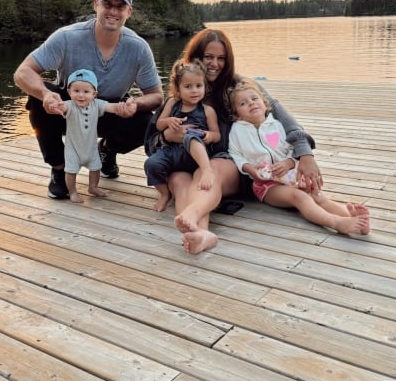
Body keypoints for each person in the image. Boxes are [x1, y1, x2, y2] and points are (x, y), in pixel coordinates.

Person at [162, 28, 324, 254]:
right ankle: (200, 234)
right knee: (178, 179)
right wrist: (166, 135)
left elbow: (287, 122)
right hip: (187, 162)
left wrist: (305, 155)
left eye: (221, 58)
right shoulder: (181, 91)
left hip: (228, 167)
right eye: (208, 57)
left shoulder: (239, 88)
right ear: (195, 57)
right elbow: (154, 140)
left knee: (210, 170)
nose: (214, 64)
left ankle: (193, 216)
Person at [14, 0, 164, 199]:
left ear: (129, 11)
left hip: (111, 110)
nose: (113, 11)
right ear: (96, 5)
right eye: (107, 4)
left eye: (120, 6)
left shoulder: (139, 48)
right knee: (37, 97)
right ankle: (59, 169)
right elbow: (22, 72)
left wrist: (135, 104)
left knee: (148, 123)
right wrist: (46, 94)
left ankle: (108, 150)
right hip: (70, 111)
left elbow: (156, 95)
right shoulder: (67, 37)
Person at [228, 78, 370, 234]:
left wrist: (289, 162)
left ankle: (356, 220)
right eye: (243, 103)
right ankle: (336, 223)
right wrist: (249, 168)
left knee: (318, 196)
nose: (251, 103)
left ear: (264, 103)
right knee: (300, 198)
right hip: (268, 185)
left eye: (254, 99)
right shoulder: (237, 131)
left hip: (291, 176)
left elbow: (292, 149)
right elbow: (235, 154)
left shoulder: (276, 125)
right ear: (237, 114)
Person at [144, 59, 220, 212]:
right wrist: (169, 120)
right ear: (177, 89)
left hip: (195, 156)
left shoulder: (207, 111)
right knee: (151, 164)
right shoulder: (172, 103)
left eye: (199, 86)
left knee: (190, 137)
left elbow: (217, 135)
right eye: (188, 86)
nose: (194, 90)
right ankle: (165, 194)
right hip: (171, 151)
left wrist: (208, 135)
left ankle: (206, 170)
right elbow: (158, 124)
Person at [54, 69, 137, 203]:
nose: (81, 95)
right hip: (73, 149)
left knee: (96, 168)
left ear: (94, 94)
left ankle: (93, 187)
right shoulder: (70, 105)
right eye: (76, 91)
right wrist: (56, 106)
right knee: (70, 171)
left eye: (86, 92)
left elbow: (112, 107)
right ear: (69, 92)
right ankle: (73, 192)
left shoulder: (96, 104)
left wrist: (124, 106)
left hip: (91, 148)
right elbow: (62, 108)